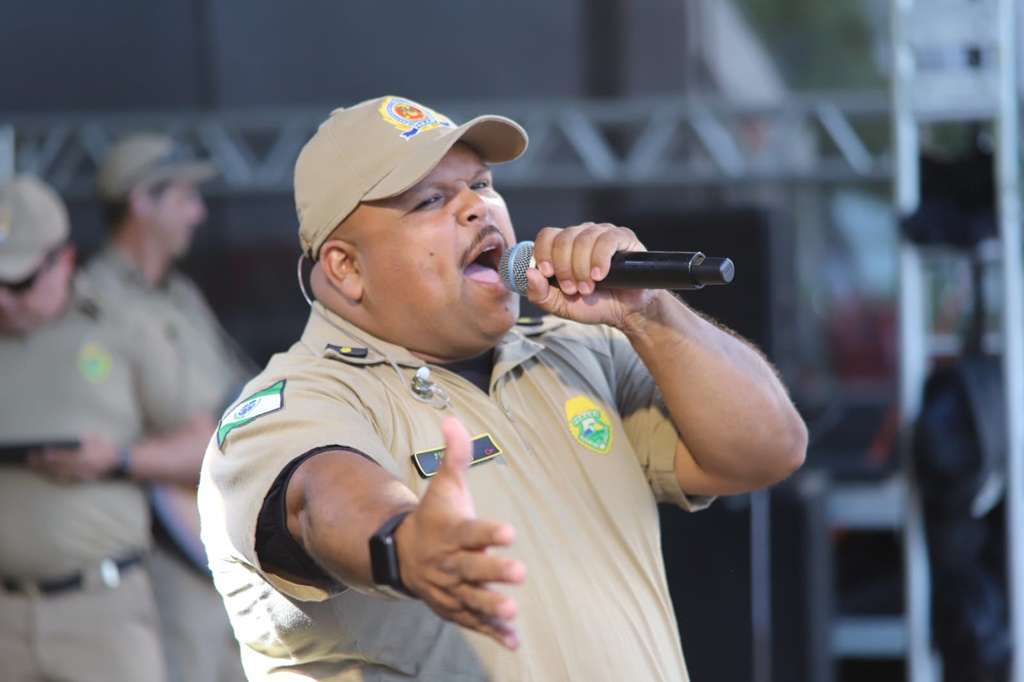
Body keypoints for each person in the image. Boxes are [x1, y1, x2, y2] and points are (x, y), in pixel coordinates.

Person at [197, 95, 808, 681]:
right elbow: (317, 500)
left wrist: (650, 311)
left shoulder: (582, 352)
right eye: (430, 199)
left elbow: (771, 450)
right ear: (346, 268)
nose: (476, 207)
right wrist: (404, 543)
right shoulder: (294, 401)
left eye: (483, 184)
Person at [0, 174, 215, 682]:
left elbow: (209, 445)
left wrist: (119, 460)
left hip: (102, 608)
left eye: (20, 282)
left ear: (63, 261)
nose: (5, 301)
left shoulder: (123, 326)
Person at [85, 133, 255, 682]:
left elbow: (232, 387)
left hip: (221, 527)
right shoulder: (89, 301)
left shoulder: (180, 293)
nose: (198, 213)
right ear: (141, 201)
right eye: (185, 196)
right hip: (168, 544)